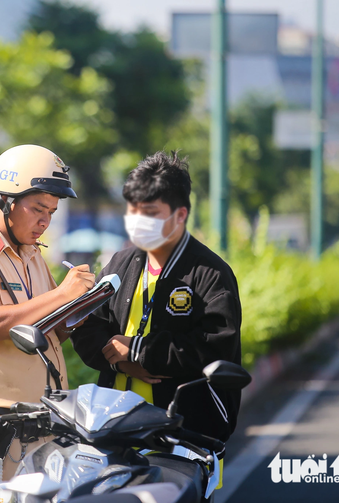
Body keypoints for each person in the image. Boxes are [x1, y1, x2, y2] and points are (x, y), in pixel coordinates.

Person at [0, 144, 95, 479]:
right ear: (6, 200)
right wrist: (63, 293)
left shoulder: (32, 255)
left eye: (52, 212)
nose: (45, 220)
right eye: (39, 208)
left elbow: (40, 328)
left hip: (39, 430)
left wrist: (74, 311)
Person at [71, 150, 243, 447]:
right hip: (114, 428)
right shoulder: (120, 263)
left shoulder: (211, 273)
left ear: (180, 214)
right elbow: (87, 325)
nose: (139, 221)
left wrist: (139, 350)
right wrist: (122, 363)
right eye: (133, 211)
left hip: (184, 433)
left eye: (150, 213)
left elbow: (213, 348)